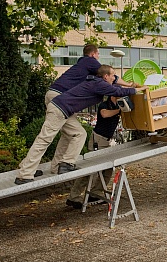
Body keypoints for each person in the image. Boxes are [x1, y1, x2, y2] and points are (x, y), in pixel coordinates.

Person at [15, 65, 147, 185]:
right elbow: (118, 92)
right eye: (113, 75)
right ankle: (25, 174)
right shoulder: (99, 83)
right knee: (44, 140)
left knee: (79, 134)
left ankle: (63, 165)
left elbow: (117, 88)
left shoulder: (98, 82)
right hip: (59, 109)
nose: (115, 78)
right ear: (106, 76)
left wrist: (131, 86)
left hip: (65, 111)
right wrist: (140, 90)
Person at [44, 44, 135, 175]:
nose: (98, 57)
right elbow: (114, 88)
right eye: (98, 54)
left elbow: (115, 87)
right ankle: (63, 164)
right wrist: (131, 86)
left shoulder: (86, 70)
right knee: (73, 135)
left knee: (66, 136)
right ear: (93, 54)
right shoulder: (92, 66)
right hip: (60, 100)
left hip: (58, 98)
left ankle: (56, 166)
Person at [65, 96, 121, 209]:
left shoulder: (118, 105)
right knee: (90, 171)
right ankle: (73, 197)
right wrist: (120, 111)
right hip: (98, 140)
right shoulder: (105, 105)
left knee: (108, 169)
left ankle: (96, 193)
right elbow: (104, 114)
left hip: (107, 140)